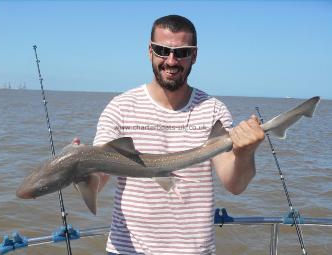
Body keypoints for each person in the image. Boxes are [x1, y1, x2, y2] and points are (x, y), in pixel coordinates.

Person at [93, 15, 265, 255]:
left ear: (194, 55)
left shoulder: (213, 110)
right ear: (149, 51)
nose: (171, 61)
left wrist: (246, 153)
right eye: (162, 50)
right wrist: (80, 168)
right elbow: (99, 180)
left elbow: (234, 184)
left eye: (182, 52)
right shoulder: (120, 107)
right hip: (127, 249)